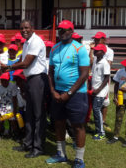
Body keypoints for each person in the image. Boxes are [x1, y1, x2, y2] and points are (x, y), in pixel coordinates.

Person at [1, 19, 48, 158]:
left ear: (32, 28)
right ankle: (28, 143)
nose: (24, 30)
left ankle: (38, 147)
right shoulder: (27, 42)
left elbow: (26, 63)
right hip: (29, 79)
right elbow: (21, 59)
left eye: (26, 27)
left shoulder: (36, 41)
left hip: (38, 79)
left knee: (38, 115)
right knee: (29, 113)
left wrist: (8, 68)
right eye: (21, 28)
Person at [46, 20, 89, 168]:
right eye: (60, 30)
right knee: (58, 123)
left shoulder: (79, 49)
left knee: (78, 125)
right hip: (57, 93)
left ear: (71, 31)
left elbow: (84, 74)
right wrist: (52, 91)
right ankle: (61, 154)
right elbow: (50, 72)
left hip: (76, 94)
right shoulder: (54, 49)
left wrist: (69, 93)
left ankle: (79, 159)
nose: (62, 33)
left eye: (65, 30)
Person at [90, 31, 114, 131]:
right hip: (95, 77)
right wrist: (91, 51)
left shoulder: (109, 51)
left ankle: (102, 122)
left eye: (98, 39)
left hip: (103, 79)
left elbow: (108, 66)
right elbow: (91, 63)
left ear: (104, 39)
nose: (96, 41)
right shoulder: (94, 50)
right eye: (95, 39)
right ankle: (97, 121)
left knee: (104, 101)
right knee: (95, 102)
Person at [90, 44, 110, 141]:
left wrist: (99, 89)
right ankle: (98, 130)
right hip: (94, 89)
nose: (95, 51)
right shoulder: (95, 60)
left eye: (97, 50)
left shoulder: (104, 63)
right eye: (95, 50)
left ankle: (101, 132)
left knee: (97, 110)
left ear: (102, 52)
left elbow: (107, 78)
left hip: (100, 91)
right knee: (95, 110)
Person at [0, 72, 19, 140]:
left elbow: (14, 98)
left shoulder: (12, 86)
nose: (3, 82)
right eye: (1, 80)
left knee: (13, 121)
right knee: (0, 120)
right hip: (2, 106)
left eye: (5, 80)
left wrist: (14, 110)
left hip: (11, 105)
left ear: (8, 80)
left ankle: (15, 134)